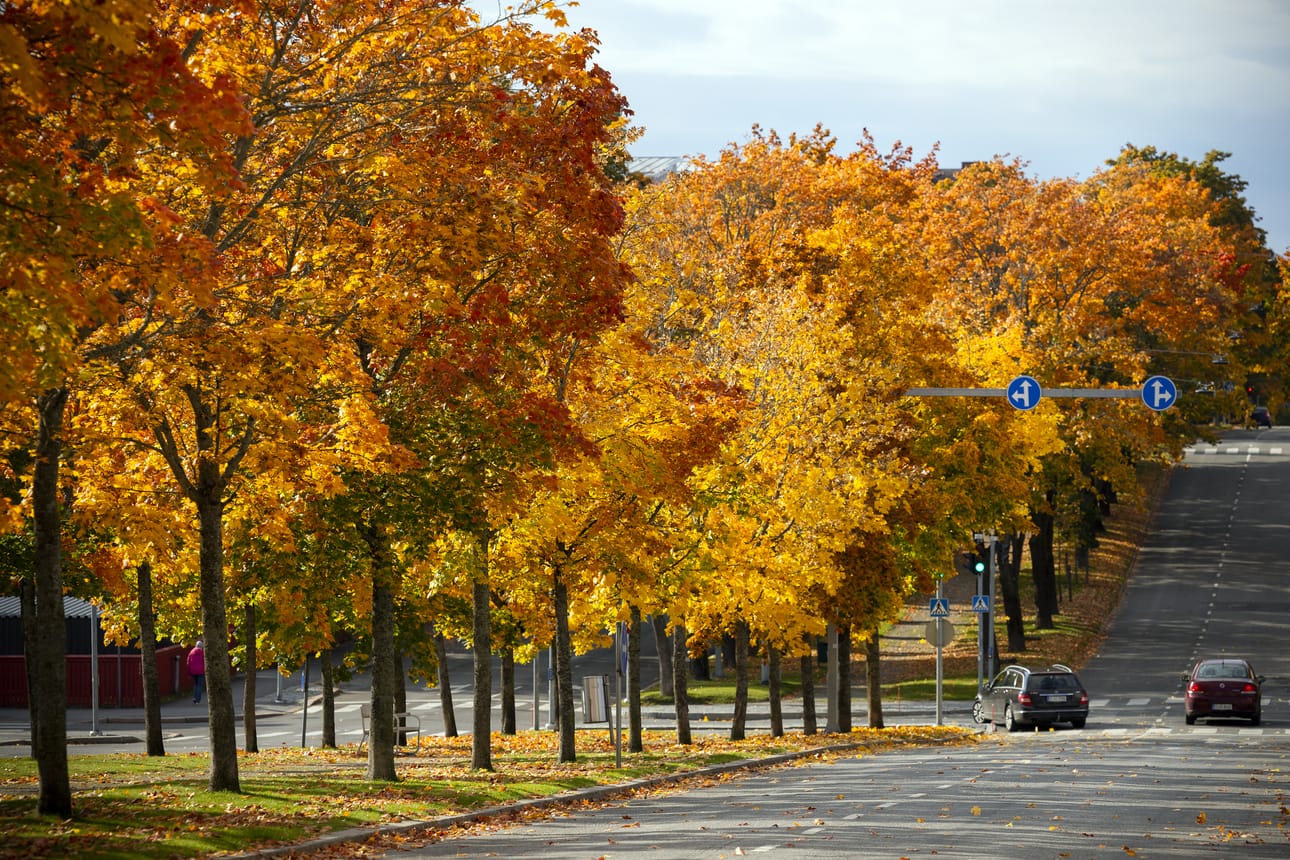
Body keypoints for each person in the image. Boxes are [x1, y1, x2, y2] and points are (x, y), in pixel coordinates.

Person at [188, 640, 206, 704]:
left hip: (193, 671)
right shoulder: (202, 653)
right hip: (201, 671)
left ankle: (195, 697)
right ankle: (198, 699)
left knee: (196, 684)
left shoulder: (191, 652)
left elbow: (188, 662)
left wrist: (189, 672)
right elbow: (205, 662)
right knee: (199, 685)